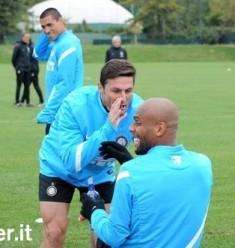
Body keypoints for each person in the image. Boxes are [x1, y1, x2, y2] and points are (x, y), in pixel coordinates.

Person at [81, 98, 213, 248]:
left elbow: (114, 236)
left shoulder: (130, 172)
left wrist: (94, 210)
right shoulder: (203, 165)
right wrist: (129, 160)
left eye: (137, 122)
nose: (131, 128)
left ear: (159, 129)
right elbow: (166, 186)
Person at [38, 59, 143, 248]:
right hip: (58, 169)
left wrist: (128, 160)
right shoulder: (75, 104)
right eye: (116, 91)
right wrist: (108, 127)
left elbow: (151, 158)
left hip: (100, 173)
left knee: (106, 239)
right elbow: (72, 162)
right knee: (54, 233)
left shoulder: (139, 111)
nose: (124, 98)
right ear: (101, 88)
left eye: (128, 90)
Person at [33, 7, 84, 134]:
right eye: (43, 27)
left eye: (50, 24)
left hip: (63, 114)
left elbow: (65, 83)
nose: (46, 30)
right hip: (57, 112)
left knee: (57, 153)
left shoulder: (68, 44)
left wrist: (49, 112)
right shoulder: (58, 42)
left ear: (61, 21)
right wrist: (48, 33)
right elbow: (37, 54)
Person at [12, 33, 32, 107]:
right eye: (26, 38)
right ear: (23, 38)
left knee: (27, 86)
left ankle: (27, 102)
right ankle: (17, 102)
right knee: (19, 85)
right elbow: (13, 59)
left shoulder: (28, 47)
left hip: (27, 69)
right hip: (20, 69)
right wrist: (17, 67)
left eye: (29, 38)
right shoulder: (18, 46)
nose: (28, 39)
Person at [29, 39, 44, 106]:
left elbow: (33, 62)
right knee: (27, 86)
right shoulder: (31, 48)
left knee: (36, 86)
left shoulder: (32, 49)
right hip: (32, 70)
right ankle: (24, 101)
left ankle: (42, 101)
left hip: (33, 71)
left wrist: (33, 72)